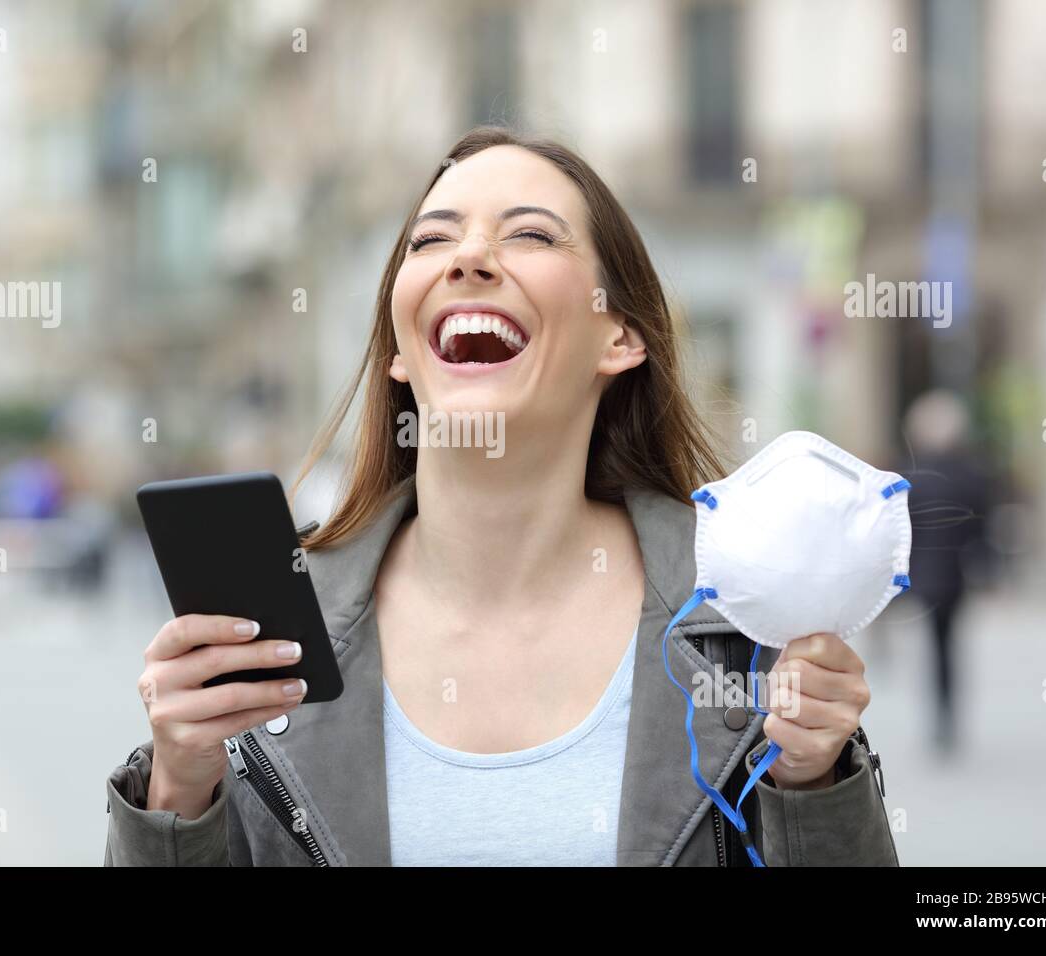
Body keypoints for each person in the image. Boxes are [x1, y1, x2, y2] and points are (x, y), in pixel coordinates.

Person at [103, 126, 898, 866]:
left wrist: (813, 781)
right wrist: (178, 788)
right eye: (431, 239)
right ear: (400, 354)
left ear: (620, 336)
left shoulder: (741, 618)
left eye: (529, 234)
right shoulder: (276, 628)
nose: (468, 257)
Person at [899, 389, 991, 755]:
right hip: (957, 574)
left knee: (935, 644)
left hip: (924, 574)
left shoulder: (911, 476)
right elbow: (981, 529)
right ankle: (948, 713)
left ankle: (940, 715)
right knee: (949, 644)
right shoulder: (971, 475)